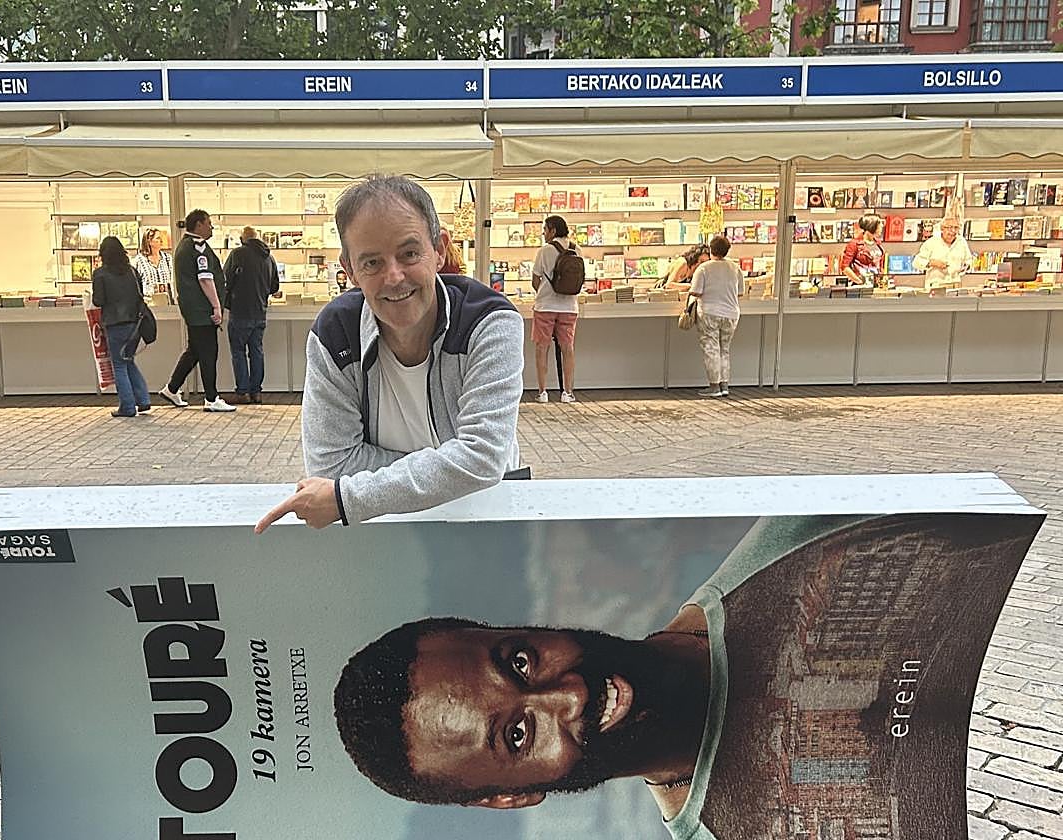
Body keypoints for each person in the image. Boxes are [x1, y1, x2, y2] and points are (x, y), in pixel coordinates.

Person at [332, 512, 1039, 838]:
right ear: (510, 799)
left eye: (520, 662)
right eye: (518, 734)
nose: (568, 694)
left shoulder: (811, 540)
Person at [254, 175, 523, 532]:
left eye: (409, 254)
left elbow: (483, 457)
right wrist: (452, 468)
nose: (394, 277)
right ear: (349, 270)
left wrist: (346, 498)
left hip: (487, 520)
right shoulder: (335, 335)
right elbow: (331, 466)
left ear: (440, 249)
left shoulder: (489, 323)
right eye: (372, 263)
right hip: (383, 530)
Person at [159, 209, 236, 413]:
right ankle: (211, 398)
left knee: (195, 350)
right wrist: (216, 306)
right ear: (199, 224)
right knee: (209, 352)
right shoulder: (198, 247)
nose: (211, 227)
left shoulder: (183, 246)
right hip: (202, 310)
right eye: (208, 223)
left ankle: (171, 388)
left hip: (193, 309)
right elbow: (205, 279)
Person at [91, 236, 150, 418]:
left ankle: (127, 406)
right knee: (128, 360)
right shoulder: (132, 271)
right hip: (134, 323)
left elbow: (98, 300)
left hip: (114, 324)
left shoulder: (100, 274)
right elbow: (140, 294)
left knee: (119, 364)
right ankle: (143, 399)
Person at [223, 226, 281, 404]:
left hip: (240, 310)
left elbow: (225, 279)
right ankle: (256, 391)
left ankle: (243, 392)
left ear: (243, 239)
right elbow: (274, 286)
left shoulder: (237, 254)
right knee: (256, 351)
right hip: (260, 311)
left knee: (238, 352)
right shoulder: (268, 257)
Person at [531, 214, 580, 404]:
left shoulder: (544, 251)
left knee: (542, 347)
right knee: (567, 347)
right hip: (569, 306)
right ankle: (567, 392)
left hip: (545, 306)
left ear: (552, 230)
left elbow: (535, 279)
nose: (543, 234)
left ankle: (542, 392)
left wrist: (544, 292)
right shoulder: (577, 249)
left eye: (545, 229)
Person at [689, 235, 743, 398]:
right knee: (724, 349)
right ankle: (724, 385)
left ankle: (714, 386)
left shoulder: (704, 268)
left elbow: (696, 291)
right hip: (731, 313)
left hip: (709, 312)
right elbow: (740, 292)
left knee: (711, 348)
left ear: (711, 250)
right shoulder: (735, 268)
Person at [913, 218, 972, 289]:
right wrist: (932, 263)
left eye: (956, 228)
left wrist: (966, 266)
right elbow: (916, 262)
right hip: (936, 285)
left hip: (955, 285)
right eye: (950, 227)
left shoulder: (961, 242)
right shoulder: (931, 242)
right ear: (942, 228)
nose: (953, 231)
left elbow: (968, 260)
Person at [840, 213, 885, 286]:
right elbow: (845, 267)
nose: (882, 226)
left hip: (876, 284)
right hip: (861, 286)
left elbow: (880, 265)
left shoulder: (878, 243)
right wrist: (860, 282)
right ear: (872, 226)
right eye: (879, 224)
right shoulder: (854, 244)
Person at [132, 227, 173, 302]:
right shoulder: (138, 261)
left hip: (167, 302)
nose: (161, 241)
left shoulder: (168, 259)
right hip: (148, 302)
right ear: (149, 241)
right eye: (158, 238)